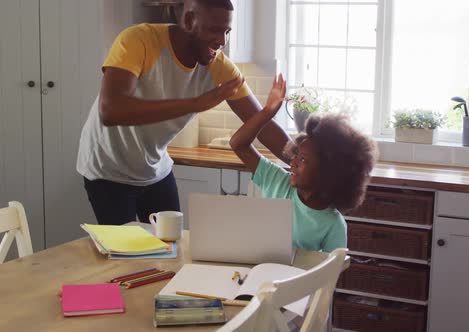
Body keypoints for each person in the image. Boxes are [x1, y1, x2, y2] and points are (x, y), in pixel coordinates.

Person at [76, 0, 291, 225]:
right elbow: (111, 111)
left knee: (171, 249)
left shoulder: (220, 67)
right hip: (108, 169)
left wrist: (300, 158)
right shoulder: (139, 40)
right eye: (214, 30)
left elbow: (261, 124)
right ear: (189, 20)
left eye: (227, 31)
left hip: (155, 170)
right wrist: (195, 103)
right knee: (122, 257)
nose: (222, 41)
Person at [230, 75, 377, 252]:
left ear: (328, 172)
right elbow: (238, 144)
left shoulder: (333, 226)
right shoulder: (277, 181)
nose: (292, 163)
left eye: (302, 159)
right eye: (296, 155)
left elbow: (329, 276)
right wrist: (267, 111)